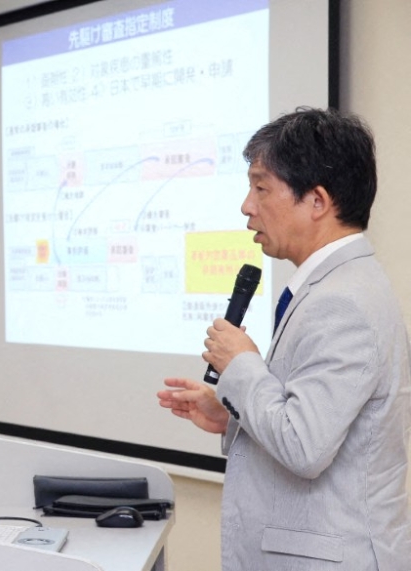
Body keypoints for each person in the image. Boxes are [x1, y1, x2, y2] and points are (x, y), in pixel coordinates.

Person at [157, 108, 411, 569]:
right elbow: (310, 415)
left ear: (317, 201)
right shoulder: (332, 286)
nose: (246, 206)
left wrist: (242, 365)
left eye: (260, 187)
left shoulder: (345, 302)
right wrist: (229, 412)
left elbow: (304, 445)